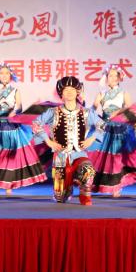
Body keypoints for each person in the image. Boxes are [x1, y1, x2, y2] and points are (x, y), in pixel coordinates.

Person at [0, 65, 47, 194]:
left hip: (11, 124)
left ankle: (9, 184)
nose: (4, 75)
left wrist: (14, 112)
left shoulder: (15, 90)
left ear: (10, 75)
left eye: (7, 73)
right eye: (2, 73)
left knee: (11, 155)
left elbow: (19, 106)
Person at [32, 76, 100, 206]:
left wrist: (91, 139)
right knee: (61, 197)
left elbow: (101, 125)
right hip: (60, 156)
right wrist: (48, 141)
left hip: (79, 153)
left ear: (77, 92)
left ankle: (85, 196)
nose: (69, 92)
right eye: (66, 90)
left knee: (88, 170)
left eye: (72, 89)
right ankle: (66, 189)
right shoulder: (53, 112)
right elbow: (36, 123)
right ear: (61, 93)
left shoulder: (86, 112)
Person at [88, 65, 136, 196]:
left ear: (119, 77)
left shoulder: (123, 93)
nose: (113, 78)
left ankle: (117, 186)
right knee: (103, 157)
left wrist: (117, 112)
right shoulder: (101, 94)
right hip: (106, 127)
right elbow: (93, 109)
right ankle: (97, 184)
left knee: (118, 157)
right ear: (106, 77)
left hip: (120, 128)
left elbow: (130, 108)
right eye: (110, 75)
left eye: (115, 75)